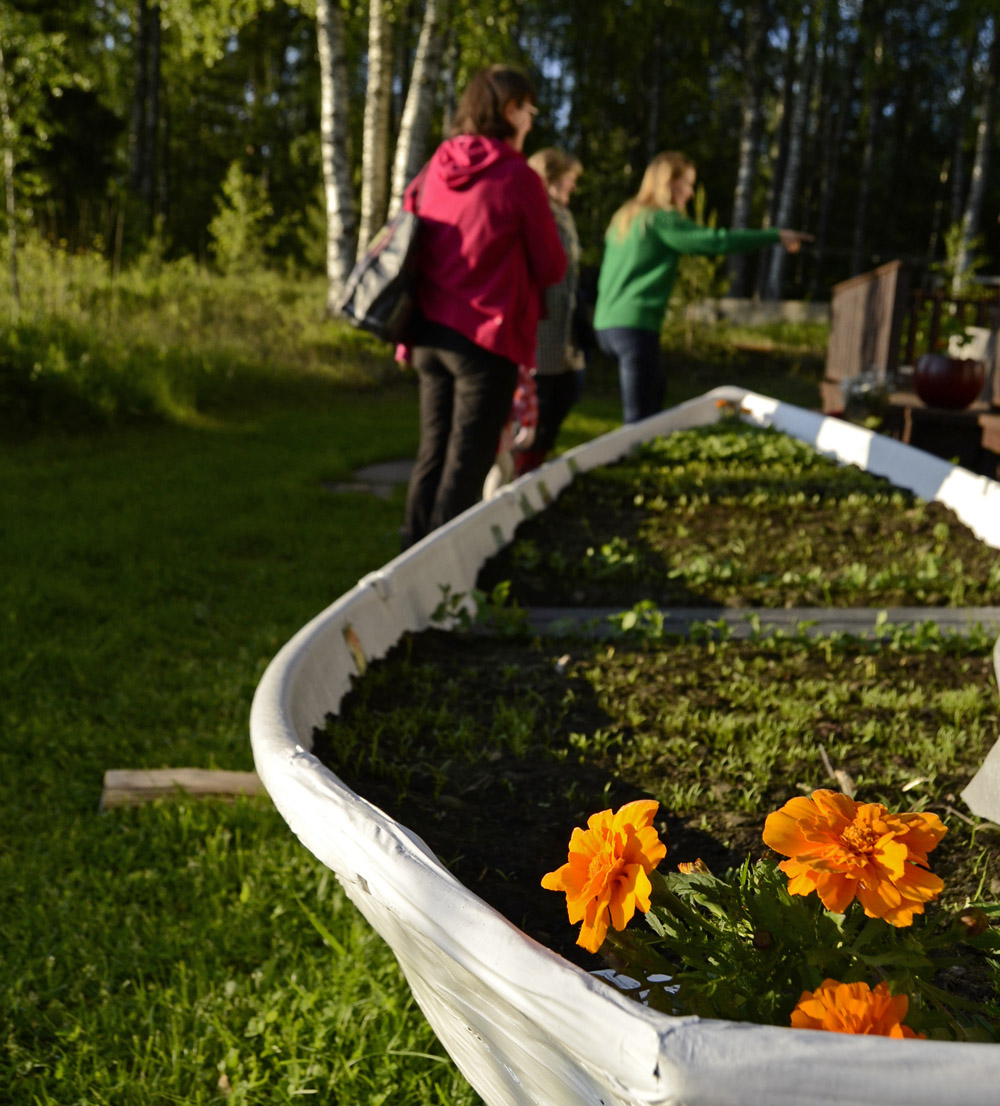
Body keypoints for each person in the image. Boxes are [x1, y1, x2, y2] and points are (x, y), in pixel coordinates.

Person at [398, 65, 567, 549]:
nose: (531, 121)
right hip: (484, 337)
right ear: (511, 110)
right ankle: (438, 581)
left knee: (433, 451)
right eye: (529, 110)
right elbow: (552, 265)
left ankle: (405, 561)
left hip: (428, 330)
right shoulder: (518, 176)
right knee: (467, 460)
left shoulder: (437, 164)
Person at [593, 150, 810, 424]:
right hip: (634, 326)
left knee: (654, 392)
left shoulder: (625, 217)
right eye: (688, 184)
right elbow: (715, 242)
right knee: (640, 419)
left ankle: (636, 457)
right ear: (670, 183)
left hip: (606, 325)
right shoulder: (659, 219)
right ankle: (627, 461)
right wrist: (773, 235)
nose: (690, 193)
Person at [513, 148, 584, 475]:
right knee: (538, 413)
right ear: (553, 179)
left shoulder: (563, 215)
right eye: (570, 178)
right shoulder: (536, 213)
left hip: (564, 329)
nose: (573, 185)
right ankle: (520, 477)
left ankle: (531, 471)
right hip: (541, 331)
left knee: (564, 396)